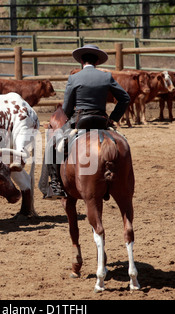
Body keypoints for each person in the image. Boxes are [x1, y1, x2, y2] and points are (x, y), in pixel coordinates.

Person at [45, 44, 131, 200]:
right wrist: (113, 118)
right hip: (102, 121)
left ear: (82, 61)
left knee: (52, 145)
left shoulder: (74, 78)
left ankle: (56, 184)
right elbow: (125, 98)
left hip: (80, 120)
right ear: (97, 62)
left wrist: (70, 117)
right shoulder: (106, 76)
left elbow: (67, 107)